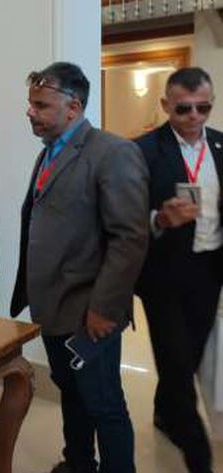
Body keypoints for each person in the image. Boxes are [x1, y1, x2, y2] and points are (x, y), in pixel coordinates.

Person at [11, 62, 148, 473]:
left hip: (90, 310)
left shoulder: (112, 152)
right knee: (71, 392)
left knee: (103, 402)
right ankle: (79, 462)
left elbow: (129, 238)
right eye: (31, 103)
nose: (30, 112)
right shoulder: (49, 151)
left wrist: (105, 308)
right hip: (54, 304)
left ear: (73, 107)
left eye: (41, 105)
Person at [135, 66, 223, 473]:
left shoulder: (220, 145)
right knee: (175, 365)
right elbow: (124, 218)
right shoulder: (142, 151)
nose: (194, 117)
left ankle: (164, 412)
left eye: (203, 107)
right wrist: (159, 219)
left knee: (189, 355)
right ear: (165, 105)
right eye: (184, 108)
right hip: (164, 274)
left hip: (210, 269)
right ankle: (199, 457)